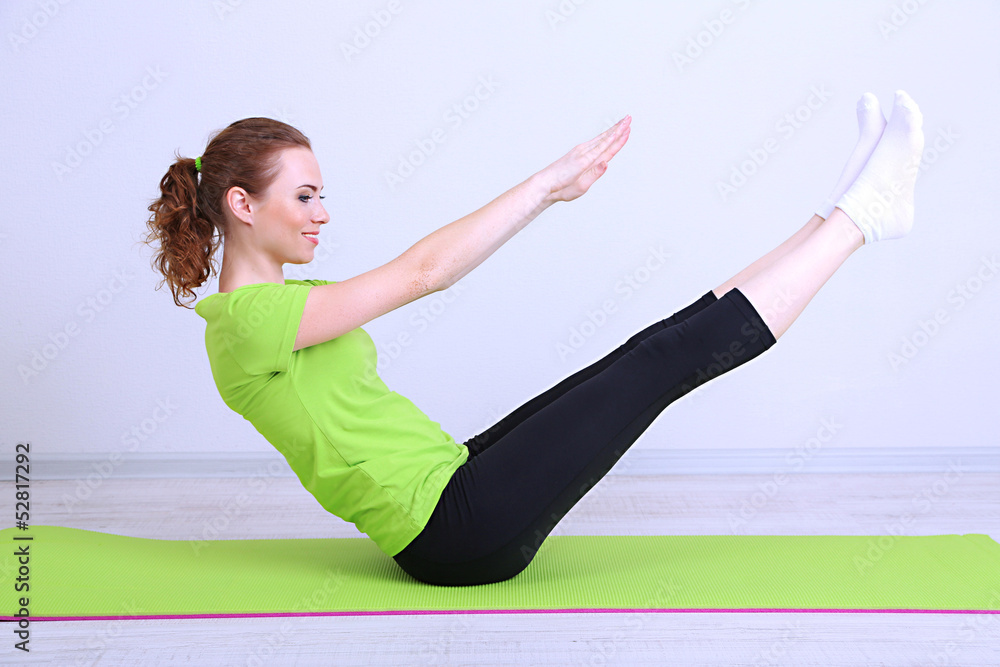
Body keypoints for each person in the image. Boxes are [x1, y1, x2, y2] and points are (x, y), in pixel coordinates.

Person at [142, 90, 924, 586]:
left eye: (321, 194)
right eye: (305, 195)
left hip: (454, 477)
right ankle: (861, 221)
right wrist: (546, 186)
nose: (321, 212)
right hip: (455, 530)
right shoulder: (246, 323)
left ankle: (839, 209)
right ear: (243, 205)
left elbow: (419, 271)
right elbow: (423, 272)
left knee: (642, 351)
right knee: (658, 366)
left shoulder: (288, 304)